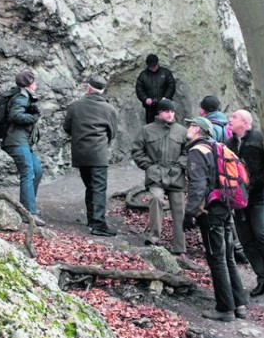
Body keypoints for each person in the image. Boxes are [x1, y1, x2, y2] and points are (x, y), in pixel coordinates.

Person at [182, 116, 248, 321]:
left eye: (191, 125)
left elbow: (197, 186)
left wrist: (190, 213)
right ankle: (240, 304)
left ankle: (225, 309)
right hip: (226, 208)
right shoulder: (216, 147)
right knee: (228, 257)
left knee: (216, 259)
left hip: (211, 213)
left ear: (198, 130)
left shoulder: (196, 151)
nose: (189, 128)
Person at [227, 109, 264, 296]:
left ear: (244, 122)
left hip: (258, 197)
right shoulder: (229, 144)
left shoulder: (259, 140)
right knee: (246, 240)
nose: (230, 119)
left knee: (263, 234)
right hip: (238, 200)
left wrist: (251, 187)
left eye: (234, 117)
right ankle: (262, 278)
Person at [63, 75, 119, 237]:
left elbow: (67, 127)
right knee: (99, 188)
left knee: (90, 186)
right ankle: (99, 224)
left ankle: (91, 219)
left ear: (88, 88)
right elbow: (112, 132)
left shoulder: (74, 106)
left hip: (80, 153)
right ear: (102, 91)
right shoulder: (109, 109)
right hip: (98, 154)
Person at [131, 99, 187, 254]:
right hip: (155, 174)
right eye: (167, 111)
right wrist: (148, 166)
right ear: (159, 112)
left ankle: (180, 247)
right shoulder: (147, 130)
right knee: (156, 198)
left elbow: (187, 152)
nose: (170, 114)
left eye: (172, 111)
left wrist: (179, 166)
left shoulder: (182, 131)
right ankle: (154, 237)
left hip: (176, 175)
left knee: (179, 207)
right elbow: (137, 150)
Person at [199, 96, 248, 265]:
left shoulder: (208, 126)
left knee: (221, 213)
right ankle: (238, 249)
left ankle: (232, 251)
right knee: (230, 213)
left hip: (218, 176)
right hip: (231, 175)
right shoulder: (228, 126)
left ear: (203, 110)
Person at [2, 69, 45, 226]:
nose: (36, 84)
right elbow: (16, 115)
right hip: (16, 141)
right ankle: (30, 213)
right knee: (28, 173)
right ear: (30, 84)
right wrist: (33, 117)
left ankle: (26, 207)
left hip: (23, 141)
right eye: (34, 81)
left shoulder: (22, 94)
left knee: (37, 171)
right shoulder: (22, 96)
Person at [135, 54, 176, 124]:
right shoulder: (143, 75)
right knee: (151, 126)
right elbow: (139, 89)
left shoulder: (165, 72)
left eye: (155, 66)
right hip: (150, 107)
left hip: (165, 106)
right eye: (151, 66)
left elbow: (171, 85)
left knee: (167, 124)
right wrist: (145, 99)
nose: (153, 68)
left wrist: (166, 97)